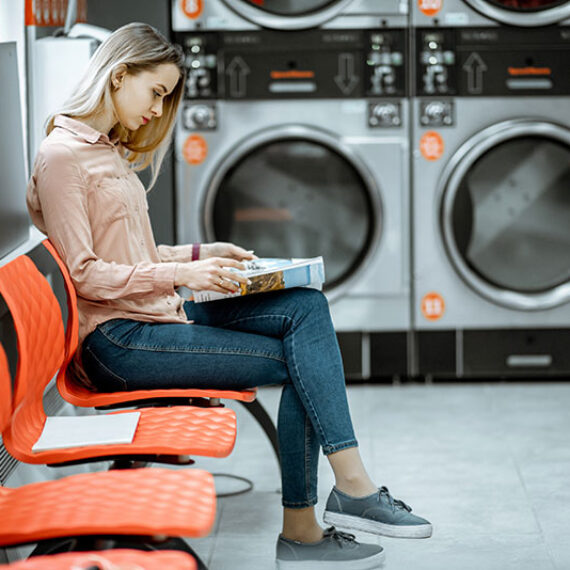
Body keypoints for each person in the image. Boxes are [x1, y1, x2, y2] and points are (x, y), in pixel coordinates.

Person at [26, 22, 432, 569]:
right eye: (156, 92)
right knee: (301, 362)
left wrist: (199, 254)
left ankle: (339, 499)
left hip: (154, 319)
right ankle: (320, 515)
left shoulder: (107, 152)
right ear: (119, 75)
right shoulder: (62, 156)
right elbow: (86, 274)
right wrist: (182, 279)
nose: (156, 109)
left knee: (305, 306)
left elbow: (132, 250)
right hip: (119, 342)